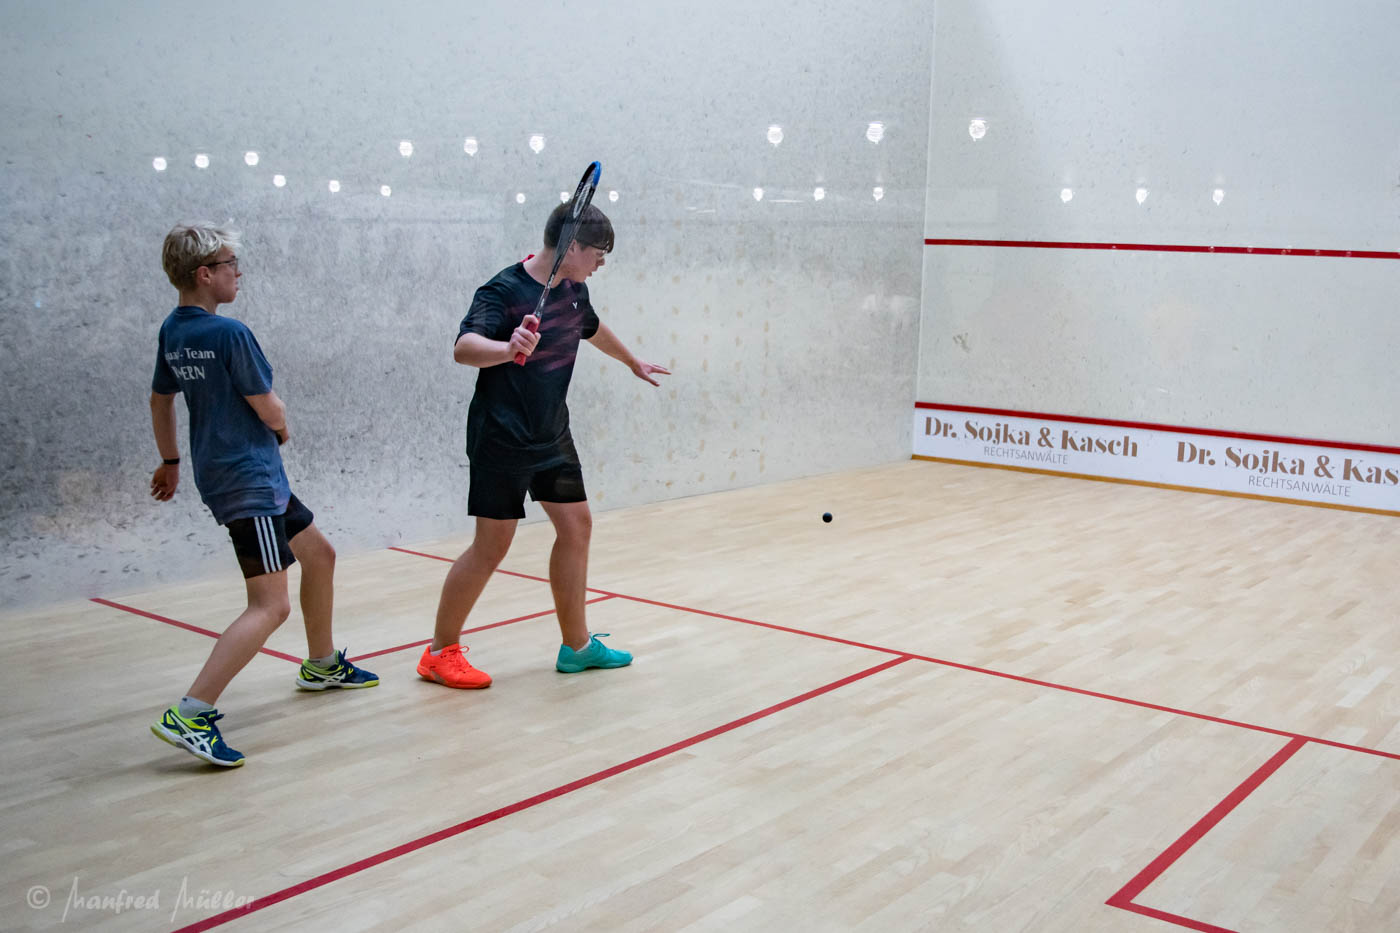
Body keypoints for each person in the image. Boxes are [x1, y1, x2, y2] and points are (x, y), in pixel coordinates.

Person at [147, 223, 377, 768]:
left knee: (320, 555)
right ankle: (191, 712)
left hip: (237, 475)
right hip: (249, 480)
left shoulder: (173, 331)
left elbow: (160, 399)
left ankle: (321, 664)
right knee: (270, 605)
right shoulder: (229, 334)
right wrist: (281, 425)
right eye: (231, 264)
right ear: (206, 274)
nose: (238, 272)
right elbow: (267, 404)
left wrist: (171, 461)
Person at [418, 202, 669, 688]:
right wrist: (507, 348)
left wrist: (631, 360)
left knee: (577, 527)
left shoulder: (574, 290)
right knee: (492, 546)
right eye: (598, 253)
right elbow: (463, 348)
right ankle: (438, 652)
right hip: (501, 436)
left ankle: (576, 647)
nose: (601, 262)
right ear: (571, 247)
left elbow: (590, 327)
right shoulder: (503, 290)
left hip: (551, 432)